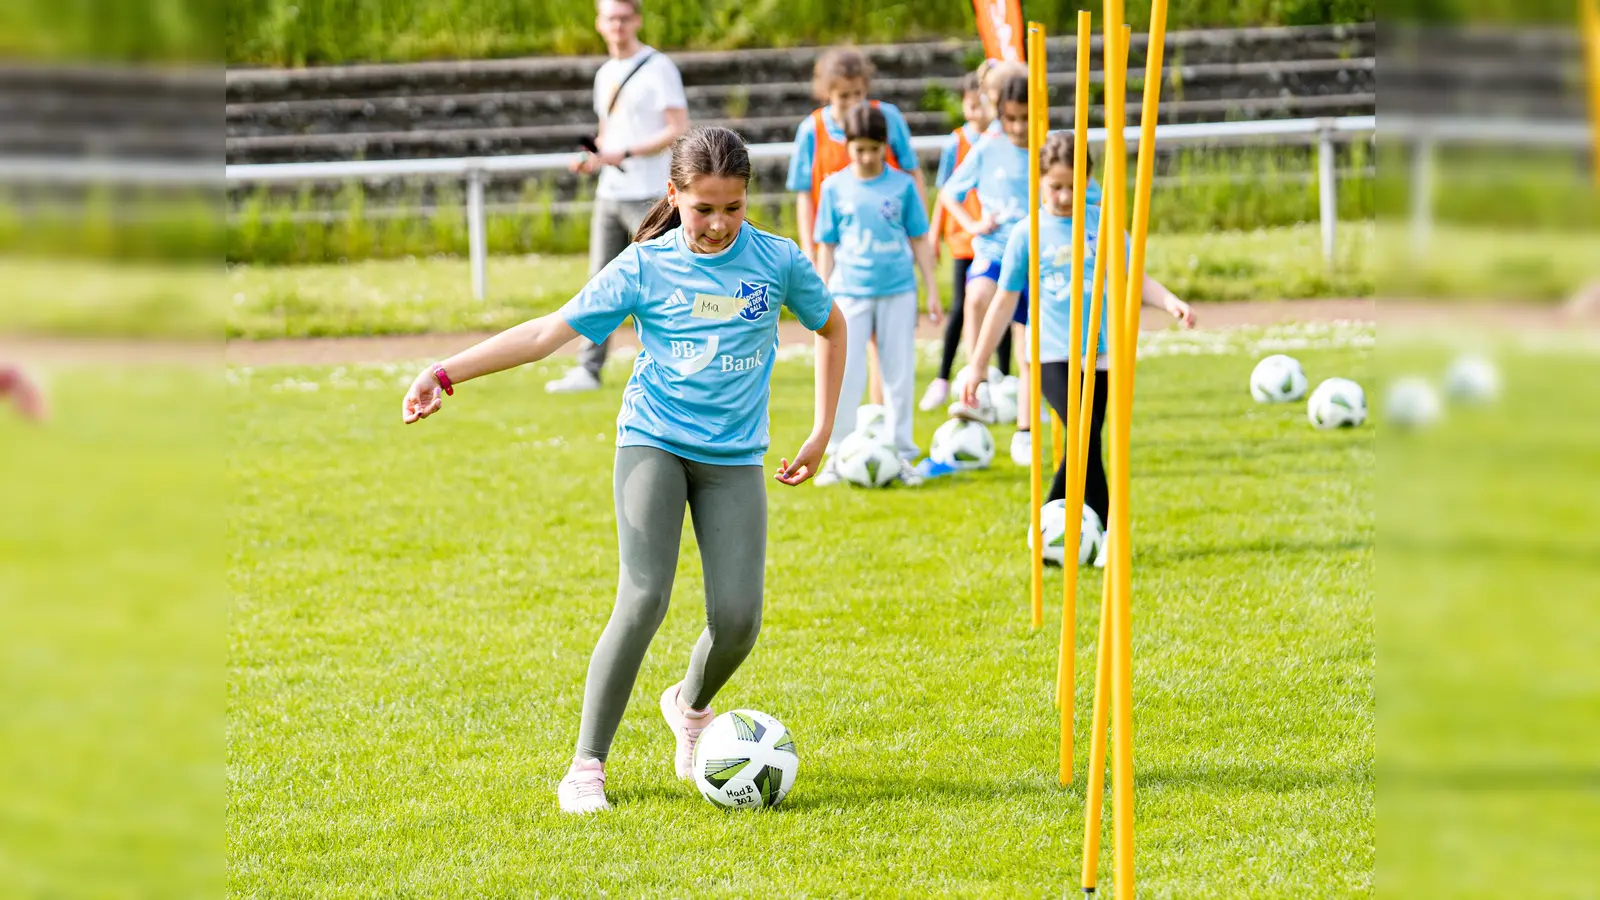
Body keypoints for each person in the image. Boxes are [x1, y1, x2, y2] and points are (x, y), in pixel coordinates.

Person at [401, 127, 847, 813]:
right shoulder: (644, 266)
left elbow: (831, 326)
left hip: (733, 456)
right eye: (703, 209)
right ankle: (586, 766)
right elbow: (548, 333)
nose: (719, 224)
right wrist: (444, 372)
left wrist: (820, 431)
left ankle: (690, 707)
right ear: (674, 195)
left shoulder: (777, 261)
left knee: (737, 619)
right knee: (643, 599)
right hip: (654, 440)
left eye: (733, 207)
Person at [955, 132, 1193, 536]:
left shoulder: (1104, 225)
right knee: (1081, 431)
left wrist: (1170, 301)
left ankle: (1076, 528)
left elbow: (1133, 278)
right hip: (1049, 352)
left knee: (1088, 438)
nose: (1065, 197)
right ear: (1040, 181)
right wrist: (976, 366)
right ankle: (1061, 523)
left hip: (1099, 352)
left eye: (1073, 187)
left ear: (1089, 181)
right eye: (1055, 187)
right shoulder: (1027, 233)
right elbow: (1003, 303)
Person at [937, 74, 1104, 466]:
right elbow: (949, 192)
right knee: (977, 297)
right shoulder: (986, 148)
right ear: (999, 115)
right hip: (996, 249)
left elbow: (1092, 196)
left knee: (1030, 343)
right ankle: (980, 380)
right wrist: (973, 224)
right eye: (1010, 118)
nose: (1017, 127)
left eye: (1025, 118)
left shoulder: (1050, 152)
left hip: (1039, 255)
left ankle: (1026, 428)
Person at [547, 0, 690, 394]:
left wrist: (625, 153)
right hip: (611, 190)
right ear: (599, 24)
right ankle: (588, 369)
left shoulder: (659, 68)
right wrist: (593, 158)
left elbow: (677, 129)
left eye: (625, 18)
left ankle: (681, 361)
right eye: (611, 18)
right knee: (600, 282)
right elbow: (607, 131)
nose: (618, 26)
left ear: (637, 21)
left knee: (667, 280)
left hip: (649, 193)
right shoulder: (606, 72)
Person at [810, 104, 942, 486]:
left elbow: (918, 237)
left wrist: (931, 290)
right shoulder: (834, 187)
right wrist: (822, 292)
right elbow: (827, 244)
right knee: (847, 373)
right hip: (850, 291)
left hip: (898, 290)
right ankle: (838, 453)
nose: (867, 157)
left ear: (885, 146)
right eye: (859, 149)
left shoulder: (902, 186)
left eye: (874, 148)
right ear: (847, 147)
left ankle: (901, 454)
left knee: (898, 373)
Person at [787, 46, 924, 406]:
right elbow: (804, 194)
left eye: (858, 94)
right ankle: (848, 426)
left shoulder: (886, 119)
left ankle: (879, 418)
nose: (852, 103)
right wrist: (811, 249)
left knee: (888, 342)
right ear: (827, 93)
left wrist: (921, 234)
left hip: (885, 239)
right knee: (848, 333)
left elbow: (911, 172)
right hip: (839, 243)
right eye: (843, 96)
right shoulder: (813, 130)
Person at [920, 69, 1013, 412]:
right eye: (971, 105)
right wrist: (934, 235)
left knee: (1005, 306)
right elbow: (946, 191)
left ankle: (1002, 379)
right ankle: (945, 377)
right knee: (966, 305)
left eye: (983, 104)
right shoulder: (959, 143)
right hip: (965, 240)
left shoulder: (1007, 140)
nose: (977, 111)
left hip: (1001, 240)